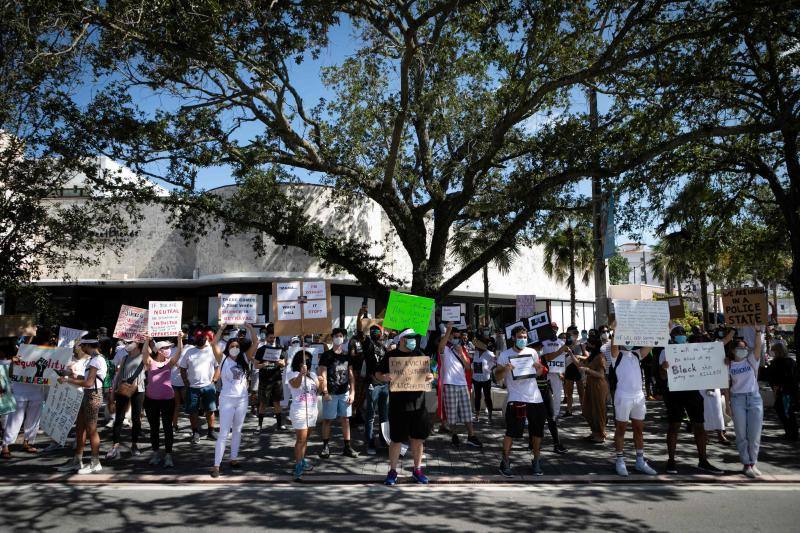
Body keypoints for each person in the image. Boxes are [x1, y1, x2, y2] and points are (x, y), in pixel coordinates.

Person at [658, 325, 725, 474]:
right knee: (674, 425)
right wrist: (663, 368)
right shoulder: (665, 351)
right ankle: (671, 461)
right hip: (674, 392)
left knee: (699, 425)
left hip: (692, 391)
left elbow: (707, 364)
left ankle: (703, 460)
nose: (681, 335)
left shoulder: (693, 349)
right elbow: (662, 376)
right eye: (677, 333)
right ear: (672, 336)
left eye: (683, 332)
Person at [376, 328, 434, 486]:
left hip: (418, 405)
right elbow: (377, 374)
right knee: (396, 440)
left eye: (414, 337)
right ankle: (392, 471)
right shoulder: (391, 356)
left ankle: (417, 470)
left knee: (417, 439)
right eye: (409, 337)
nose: (413, 340)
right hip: (398, 405)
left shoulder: (420, 355)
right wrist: (384, 377)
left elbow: (430, 374)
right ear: (401, 339)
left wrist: (430, 377)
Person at [496, 325, 548, 477]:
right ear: (513, 338)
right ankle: (505, 461)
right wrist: (505, 369)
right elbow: (497, 376)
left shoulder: (532, 352)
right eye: (520, 337)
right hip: (516, 398)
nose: (523, 340)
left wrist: (539, 368)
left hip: (535, 398)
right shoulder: (505, 355)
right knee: (511, 432)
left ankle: (536, 460)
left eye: (525, 337)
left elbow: (537, 373)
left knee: (537, 432)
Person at [211, 324, 258, 478]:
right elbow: (213, 343)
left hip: (242, 400)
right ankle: (216, 465)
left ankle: (233, 458)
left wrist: (250, 328)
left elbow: (256, 343)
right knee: (224, 432)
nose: (235, 348)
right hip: (226, 400)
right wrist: (222, 328)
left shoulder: (244, 358)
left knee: (237, 430)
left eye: (237, 346)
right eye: (232, 346)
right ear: (228, 347)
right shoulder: (222, 358)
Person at [56, 336, 108, 474]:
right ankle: (77, 460)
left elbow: (89, 383)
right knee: (80, 428)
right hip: (88, 395)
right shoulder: (93, 359)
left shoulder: (97, 360)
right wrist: (70, 375)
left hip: (93, 395)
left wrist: (67, 380)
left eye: (82, 346)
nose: (81, 349)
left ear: (88, 346)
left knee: (91, 429)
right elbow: (85, 379)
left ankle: (95, 462)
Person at [610, 338, 657, 476]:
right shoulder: (616, 355)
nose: (628, 340)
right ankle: (620, 461)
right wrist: (615, 331)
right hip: (623, 396)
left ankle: (640, 461)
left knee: (639, 429)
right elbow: (614, 345)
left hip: (638, 396)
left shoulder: (637, 354)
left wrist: (662, 328)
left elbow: (652, 342)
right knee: (621, 429)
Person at [726, 326, 765, 478]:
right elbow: (726, 387)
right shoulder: (728, 365)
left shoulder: (751, 361)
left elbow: (757, 346)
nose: (744, 350)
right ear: (733, 350)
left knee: (754, 434)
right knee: (741, 434)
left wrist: (757, 332)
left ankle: (753, 462)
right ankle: (746, 463)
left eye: (745, 348)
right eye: (740, 348)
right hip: (737, 400)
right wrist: (728, 405)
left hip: (754, 399)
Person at [141, 335, 184, 468]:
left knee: (167, 428)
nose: (168, 350)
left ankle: (168, 455)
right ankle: (155, 454)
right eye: (166, 348)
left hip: (167, 400)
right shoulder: (150, 362)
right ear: (159, 350)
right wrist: (146, 340)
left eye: (169, 348)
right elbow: (144, 353)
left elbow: (179, 352)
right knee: (154, 428)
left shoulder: (169, 363)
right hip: (151, 400)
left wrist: (180, 339)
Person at [437, 323, 482, 448]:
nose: (457, 339)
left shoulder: (461, 349)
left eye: (458, 337)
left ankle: (471, 436)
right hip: (449, 383)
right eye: (454, 336)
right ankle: (454, 435)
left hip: (462, 384)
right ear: (450, 337)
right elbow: (441, 346)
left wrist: (461, 354)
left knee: (467, 412)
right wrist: (448, 330)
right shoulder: (444, 349)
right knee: (451, 414)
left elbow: (468, 367)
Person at [1, 333, 45, 459]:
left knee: (34, 419)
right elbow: (8, 373)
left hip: (36, 391)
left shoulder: (48, 355)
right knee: (15, 419)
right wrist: (12, 362)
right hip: (19, 390)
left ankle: (28, 442)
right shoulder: (17, 354)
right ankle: (6, 445)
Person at [318, 328, 359, 458]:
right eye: (336, 335)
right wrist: (325, 391)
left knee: (346, 419)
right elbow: (322, 373)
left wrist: (352, 393)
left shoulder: (347, 356)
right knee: (328, 420)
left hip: (344, 393)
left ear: (344, 338)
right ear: (332, 337)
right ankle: (325, 446)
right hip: (330, 393)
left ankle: (347, 447)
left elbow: (351, 375)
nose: (339, 338)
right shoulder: (326, 355)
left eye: (341, 336)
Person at [180, 326, 224, 444]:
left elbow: (218, 367)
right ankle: (195, 432)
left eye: (202, 337)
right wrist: (186, 382)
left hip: (208, 386)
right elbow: (182, 368)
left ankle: (211, 431)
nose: (201, 339)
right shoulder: (189, 351)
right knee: (193, 412)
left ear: (206, 338)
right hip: (193, 387)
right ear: (195, 338)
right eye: (198, 337)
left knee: (210, 410)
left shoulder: (211, 351)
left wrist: (214, 380)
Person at [106, 340, 146, 459]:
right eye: (126, 342)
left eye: (130, 342)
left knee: (136, 418)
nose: (127, 344)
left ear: (138, 343)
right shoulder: (124, 358)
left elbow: (151, 350)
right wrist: (113, 392)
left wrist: (147, 339)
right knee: (119, 418)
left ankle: (134, 445)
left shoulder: (144, 356)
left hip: (138, 390)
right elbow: (118, 377)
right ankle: (115, 445)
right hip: (123, 388)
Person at [288, 349, 323, 481]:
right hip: (300, 410)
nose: (307, 362)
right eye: (304, 360)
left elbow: (318, 391)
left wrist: (322, 381)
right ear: (298, 362)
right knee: (301, 439)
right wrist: (301, 375)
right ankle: (298, 465)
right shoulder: (292, 373)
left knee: (305, 439)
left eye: (308, 360)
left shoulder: (313, 375)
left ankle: (302, 460)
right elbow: (295, 385)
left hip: (312, 410)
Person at [531, 340, 568, 455]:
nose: (540, 349)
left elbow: (553, 356)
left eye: (541, 347)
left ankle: (557, 444)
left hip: (545, 391)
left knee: (551, 418)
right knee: (536, 419)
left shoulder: (543, 357)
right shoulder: (527, 360)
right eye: (538, 347)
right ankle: (532, 443)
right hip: (534, 393)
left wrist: (562, 349)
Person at [578, 329, 609, 443]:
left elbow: (601, 375)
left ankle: (600, 435)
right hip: (591, 384)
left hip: (598, 386)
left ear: (594, 345)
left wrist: (587, 370)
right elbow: (582, 363)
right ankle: (595, 432)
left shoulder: (600, 357)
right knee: (589, 409)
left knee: (598, 410)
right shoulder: (593, 355)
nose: (587, 345)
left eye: (589, 343)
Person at [363, 324, 389, 455]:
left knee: (384, 414)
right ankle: (370, 442)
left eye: (378, 330)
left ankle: (384, 438)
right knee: (371, 415)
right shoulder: (368, 344)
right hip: (372, 384)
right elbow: (361, 333)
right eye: (373, 331)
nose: (376, 333)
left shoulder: (384, 347)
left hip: (384, 384)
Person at [254, 328, 286, 432]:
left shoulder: (280, 348)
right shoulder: (261, 349)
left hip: (276, 379)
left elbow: (284, 363)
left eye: (274, 337)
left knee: (277, 402)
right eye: (270, 337)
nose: (272, 339)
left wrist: (281, 363)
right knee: (263, 403)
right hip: (264, 380)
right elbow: (255, 365)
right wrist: (263, 364)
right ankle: (259, 425)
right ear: (266, 338)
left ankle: (279, 425)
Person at [767, 341, 798, 441]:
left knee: (784, 412)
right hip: (791, 390)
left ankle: (791, 433)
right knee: (788, 412)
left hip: (783, 391)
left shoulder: (777, 363)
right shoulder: (791, 361)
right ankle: (792, 433)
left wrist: (775, 391)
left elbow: (774, 379)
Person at [563, 326, 586, 417]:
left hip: (579, 370)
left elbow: (587, 357)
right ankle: (569, 410)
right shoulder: (565, 345)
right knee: (569, 392)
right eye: (571, 333)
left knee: (581, 392)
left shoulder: (581, 345)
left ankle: (584, 411)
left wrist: (579, 357)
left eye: (575, 333)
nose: (573, 335)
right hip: (569, 369)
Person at [471, 338, 496, 423]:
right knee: (477, 397)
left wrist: (489, 369)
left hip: (486, 379)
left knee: (487, 397)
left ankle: (490, 416)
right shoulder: (475, 353)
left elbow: (495, 363)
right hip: (476, 379)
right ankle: (477, 416)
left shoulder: (490, 354)